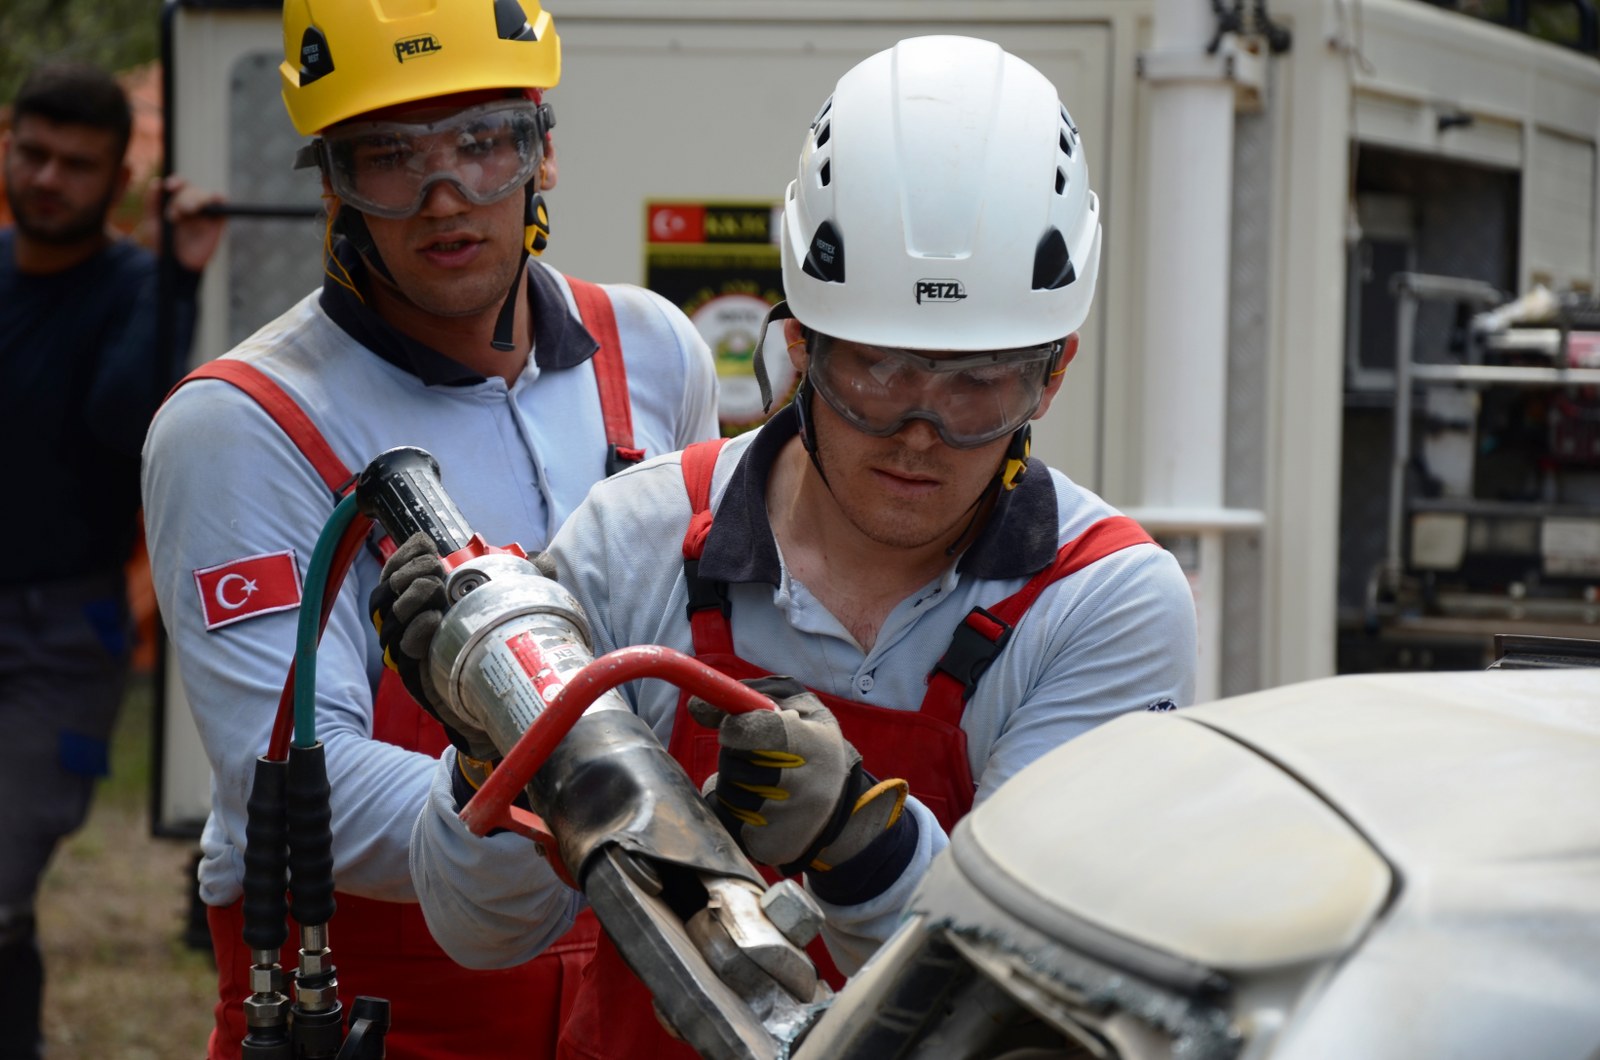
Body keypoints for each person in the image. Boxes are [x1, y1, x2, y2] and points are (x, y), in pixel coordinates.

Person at [380, 35, 1200, 1059]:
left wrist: (864, 841)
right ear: (801, 343)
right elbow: (483, 933)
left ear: (1054, 372)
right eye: (878, 371)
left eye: (977, 384)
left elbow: (1035, 993)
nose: (919, 431)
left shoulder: (1103, 600)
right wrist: (491, 743)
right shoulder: (639, 539)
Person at [139, 0, 718, 1055]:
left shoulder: (654, 352)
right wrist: (589, 807)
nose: (444, 195)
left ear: (544, 152)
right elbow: (298, 784)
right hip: (386, 995)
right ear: (332, 184)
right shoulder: (242, 424)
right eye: (389, 156)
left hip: (645, 972)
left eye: (485, 141)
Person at [0, 61, 224, 1060]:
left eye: (76, 164)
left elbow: (121, 425)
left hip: (63, 635)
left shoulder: (139, 286)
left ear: (120, 179)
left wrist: (178, 274)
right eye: (33, 153)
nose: (49, 179)